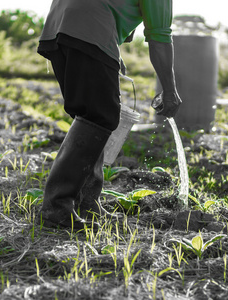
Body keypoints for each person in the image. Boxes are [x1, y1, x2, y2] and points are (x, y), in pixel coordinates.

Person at [37, 0, 182, 229]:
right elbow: (159, 37)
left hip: (59, 27)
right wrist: (170, 90)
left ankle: (86, 203)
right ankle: (57, 208)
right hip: (87, 29)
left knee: (91, 115)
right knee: (99, 116)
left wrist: (112, 52)